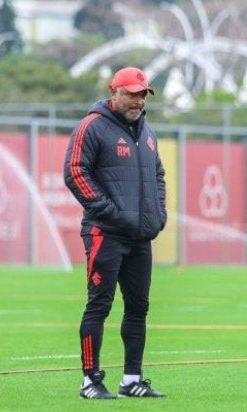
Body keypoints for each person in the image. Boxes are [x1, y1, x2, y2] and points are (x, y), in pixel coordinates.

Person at [64, 66, 167, 399]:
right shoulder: (92, 126)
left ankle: (131, 380)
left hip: (140, 236)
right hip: (104, 233)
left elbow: (158, 175)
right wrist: (110, 212)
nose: (138, 101)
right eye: (131, 94)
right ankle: (90, 381)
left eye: (142, 95)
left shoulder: (147, 132)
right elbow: (75, 172)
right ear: (114, 92)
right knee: (99, 306)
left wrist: (158, 215)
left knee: (138, 308)